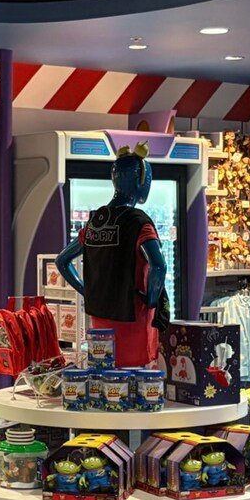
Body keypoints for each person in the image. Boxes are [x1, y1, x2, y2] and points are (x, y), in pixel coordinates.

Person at [54, 145, 169, 368]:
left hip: (100, 317)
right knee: (136, 380)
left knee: (104, 373)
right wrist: (152, 299)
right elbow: (159, 266)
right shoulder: (138, 222)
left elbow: (62, 260)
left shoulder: (95, 221)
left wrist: (85, 289)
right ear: (141, 182)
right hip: (134, 317)